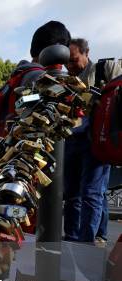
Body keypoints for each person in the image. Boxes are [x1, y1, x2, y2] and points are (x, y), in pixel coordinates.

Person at [63, 38, 122, 243]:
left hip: (97, 141)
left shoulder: (104, 70)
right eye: (66, 62)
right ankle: (75, 236)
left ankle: (86, 241)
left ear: (86, 53)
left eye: (74, 60)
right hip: (72, 141)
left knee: (92, 192)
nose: (69, 66)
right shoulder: (63, 81)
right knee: (73, 192)